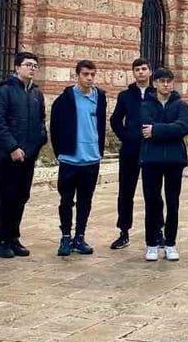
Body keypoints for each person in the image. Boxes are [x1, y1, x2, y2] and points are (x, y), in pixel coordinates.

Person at [0, 52, 48, 259]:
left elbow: (41, 122)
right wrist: (13, 148)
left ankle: (14, 237)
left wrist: (37, 145)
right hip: (8, 156)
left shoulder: (36, 93)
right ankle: (2, 240)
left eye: (35, 66)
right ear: (17, 67)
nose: (32, 68)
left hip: (28, 156)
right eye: (28, 65)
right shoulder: (4, 90)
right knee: (6, 197)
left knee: (21, 196)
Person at [50, 60, 107, 257]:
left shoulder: (100, 97)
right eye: (85, 74)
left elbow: (100, 125)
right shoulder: (64, 100)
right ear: (77, 75)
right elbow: (54, 128)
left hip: (91, 159)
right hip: (70, 160)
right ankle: (66, 237)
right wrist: (61, 152)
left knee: (85, 200)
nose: (89, 78)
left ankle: (80, 237)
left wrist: (99, 150)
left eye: (92, 74)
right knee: (66, 200)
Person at [139, 67, 188, 262]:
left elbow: (183, 127)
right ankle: (152, 244)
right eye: (162, 81)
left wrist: (156, 130)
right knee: (152, 203)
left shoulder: (181, 105)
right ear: (155, 83)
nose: (166, 84)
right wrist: (169, 130)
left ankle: (170, 243)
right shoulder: (146, 105)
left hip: (174, 160)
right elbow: (145, 127)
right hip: (151, 160)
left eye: (169, 81)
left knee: (173, 203)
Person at [109, 58, 152, 251]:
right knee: (126, 192)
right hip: (130, 150)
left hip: (152, 150)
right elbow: (115, 120)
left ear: (149, 72)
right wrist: (126, 137)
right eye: (137, 69)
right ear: (133, 73)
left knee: (153, 193)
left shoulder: (156, 94)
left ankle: (157, 231)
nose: (141, 72)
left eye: (144, 69)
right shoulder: (125, 96)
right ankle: (123, 231)